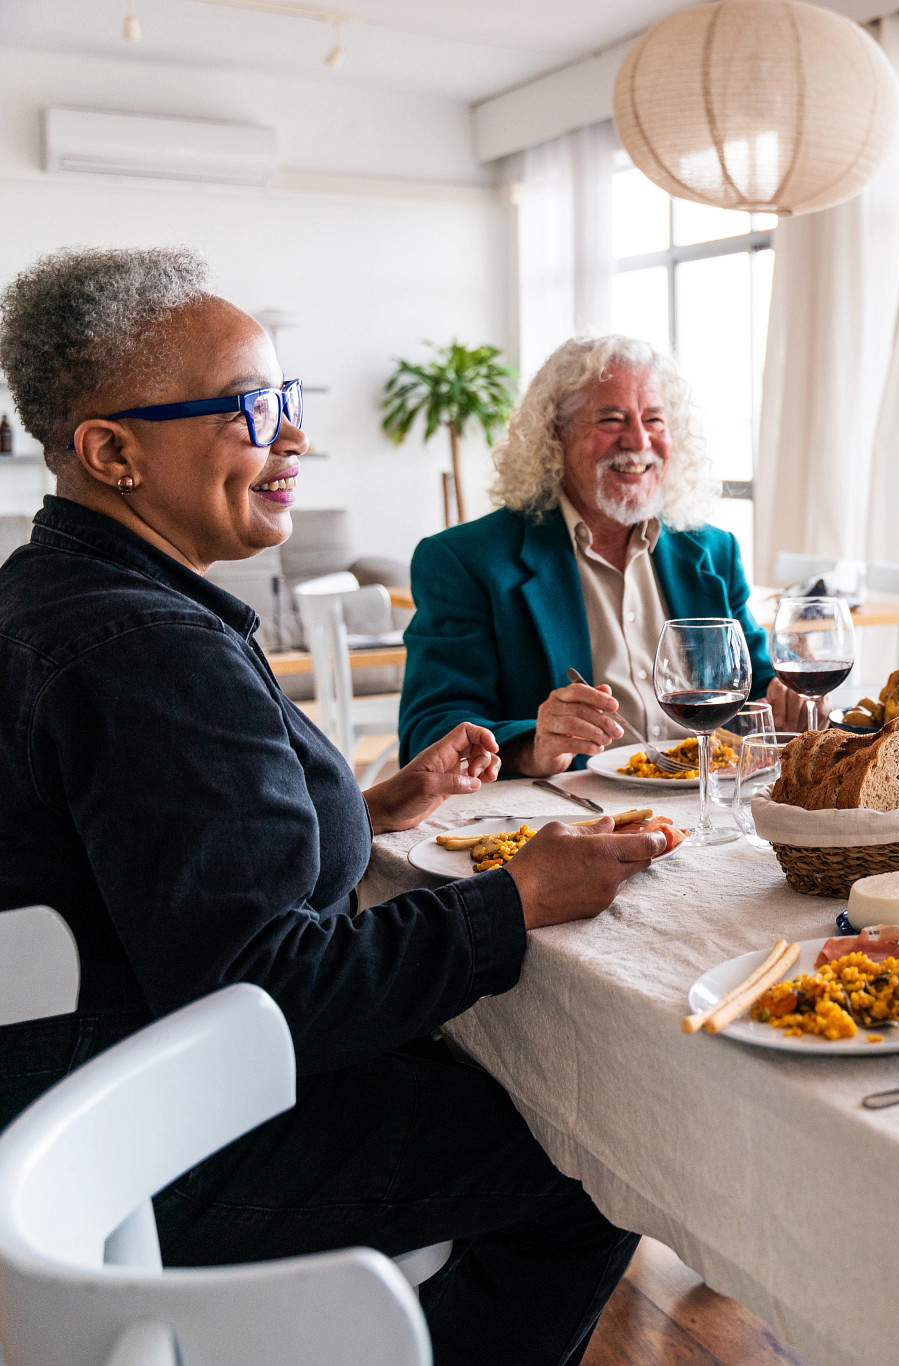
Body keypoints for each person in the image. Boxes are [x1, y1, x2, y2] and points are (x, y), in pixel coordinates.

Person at [0, 247, 659, 1366]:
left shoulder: (56, 589)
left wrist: (370, 803)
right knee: (597, 1146)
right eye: (252, 408)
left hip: (66, 1067)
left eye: (286, 399)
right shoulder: (148, 648)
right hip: (147, 1142)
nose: (294, 434)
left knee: (513, 1070)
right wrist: (518, 895)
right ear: (112, 452)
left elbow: (165, 850)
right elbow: (276, 990)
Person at [399, 335, 798, 776]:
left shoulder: (712, 551)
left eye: (654, 419)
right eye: (611, 419)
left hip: (710, 809)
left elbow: (756, 688)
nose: (639, 440)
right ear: (556, 434)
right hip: (568, 818)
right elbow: (429, 732)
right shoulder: (465, 561)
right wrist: (534, 745)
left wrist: (788, 702)